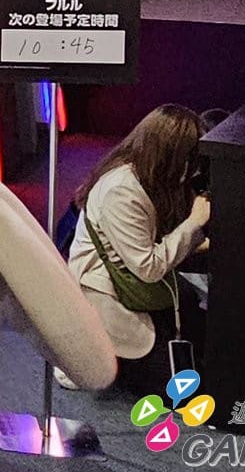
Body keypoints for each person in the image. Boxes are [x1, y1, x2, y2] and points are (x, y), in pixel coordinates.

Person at [61, 104, 211, 394]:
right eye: (189, 160)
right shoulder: (121, 190)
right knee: (184, 390)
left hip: (137, 284)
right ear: (169, 155)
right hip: (110, 294)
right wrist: (194, 223)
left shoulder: (149, 177)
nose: (193, 170)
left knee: (199, 331)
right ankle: (93, 359)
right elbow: (149, 268)